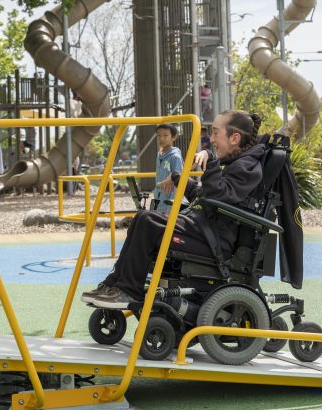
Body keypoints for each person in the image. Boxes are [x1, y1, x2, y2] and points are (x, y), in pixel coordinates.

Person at [81, 110, 267, 309]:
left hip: (215, 240)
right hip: (204, 227)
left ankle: (129, 290)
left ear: (234, 138)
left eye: (215, 133)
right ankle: (115, 284)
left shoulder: (247, 167)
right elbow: (208, 196)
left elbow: (219, 196)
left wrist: (210, 160)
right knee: (141, 218)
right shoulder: (237, 164)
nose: (211, 139)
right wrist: (179, 179)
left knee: (147, 221)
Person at [152, 123, 184, 212]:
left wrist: (173, 206)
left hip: (170, 202)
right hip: (159, 198)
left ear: (173, 137)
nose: (161, 138)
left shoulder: (175, 157)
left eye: (165, 135)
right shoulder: (160, 155)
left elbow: (178, 181)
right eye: (159, 136)